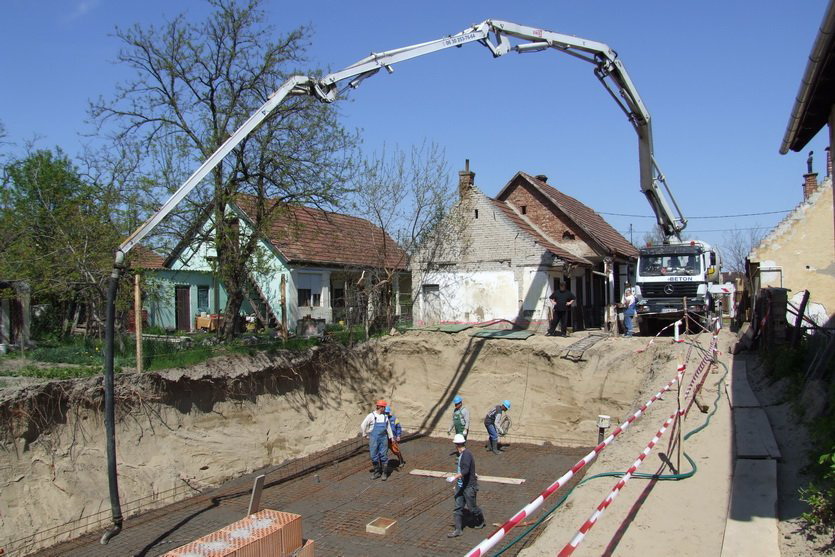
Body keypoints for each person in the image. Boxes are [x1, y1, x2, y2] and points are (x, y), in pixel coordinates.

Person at [446, 433, 486, 538]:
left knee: (472, 508)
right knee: (458, 508)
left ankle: (481, 521)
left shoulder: (466, 455)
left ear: (457, 445)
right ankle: (458, 530)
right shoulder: (461, 455)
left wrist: (454, 477)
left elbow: (465, 470)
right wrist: (457, 484)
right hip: (461, 486)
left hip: (469, 487)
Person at [360, 399, 394, 480]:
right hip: (374, 439)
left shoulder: (385, 416)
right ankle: (377, 472)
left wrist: (391, 437)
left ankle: (384, 473)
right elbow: (363, 425)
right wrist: (364, 434)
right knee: (373, 456)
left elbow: (388, 427)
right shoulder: (371, 416)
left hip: (383, 438)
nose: (385, 409)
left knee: (383, 455)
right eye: (384, 407)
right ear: (380, 407)